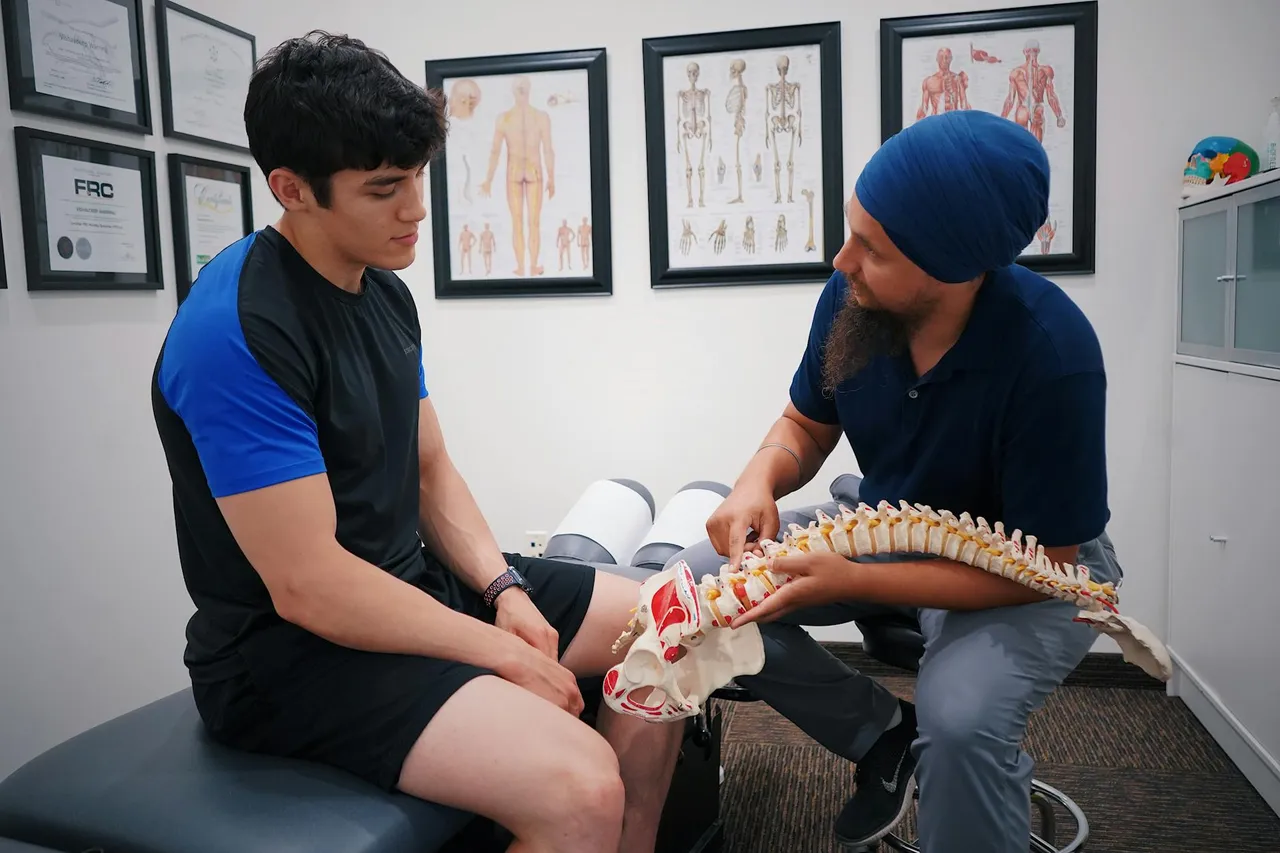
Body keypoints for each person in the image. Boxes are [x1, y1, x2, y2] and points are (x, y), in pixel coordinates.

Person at [149, 31, 684, 853]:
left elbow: (430, 467)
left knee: (674, 620)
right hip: (288, 655)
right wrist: (503, 655)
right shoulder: (235, 332)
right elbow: (310, 587)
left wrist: (504, 588)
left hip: (410, 587)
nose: (418, 209)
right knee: (580, 786)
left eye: (419, 178)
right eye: (385, 188)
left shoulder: (383, 291)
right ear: (292, 189)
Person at [673, 109, 1120, 852]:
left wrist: (849, 578)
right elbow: (806, 424)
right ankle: (881, 734)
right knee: (701, 589)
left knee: (964, 725)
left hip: (1030, 567)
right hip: (884, 524)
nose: (843, 258)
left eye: (873, 247)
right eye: (853, 228)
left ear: (955, 266)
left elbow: (1053, 566)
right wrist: (759, 477)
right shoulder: (853, 299)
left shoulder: (1056, 357)